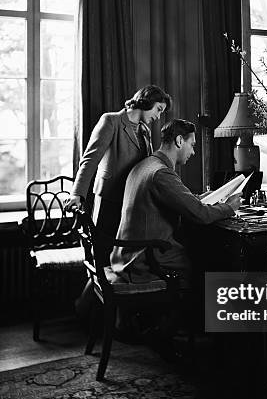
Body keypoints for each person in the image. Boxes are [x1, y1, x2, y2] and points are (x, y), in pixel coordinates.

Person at [111, 119, 241, 287]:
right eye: (192, 145)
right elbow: (200, 214)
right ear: (179, 141)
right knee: (208, 261)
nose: (193, 152)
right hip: (145, 260)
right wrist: (229, 207)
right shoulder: (161, 173)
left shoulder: (146, 165)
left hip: (126, 254)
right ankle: (193, 312)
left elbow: (176, 199)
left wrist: (201, 197)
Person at [66, 84, 171, 243]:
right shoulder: (111, 120)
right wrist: (77, 193)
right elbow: (90, 159)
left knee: (121, 252)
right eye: (158, 109)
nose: (158, 116)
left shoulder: (145, 131)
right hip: (108, 198)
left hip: (131, 200)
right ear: (147, 102)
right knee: (102, 250)